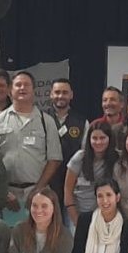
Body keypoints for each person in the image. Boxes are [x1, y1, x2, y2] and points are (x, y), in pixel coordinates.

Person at [0, 71, 62, 218]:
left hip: (37, 195)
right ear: (9, 91)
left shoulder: (47, 122)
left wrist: (37, 191)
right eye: (18, 85)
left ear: (34, 91)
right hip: (6, 196)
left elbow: (54, 159)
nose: (22, 88)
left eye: (26, 85)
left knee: (37, 239)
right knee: (8, 240)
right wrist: (4, 192)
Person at [64, 120, 118, 226]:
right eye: (94, 138)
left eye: (102, 138)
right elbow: (67, 190)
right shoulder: (79, 158)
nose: (98, 142)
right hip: (79, 213)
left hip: (106, 216)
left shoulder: (117, 158)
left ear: (110, 139)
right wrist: (76, 220)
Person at [46, 77, 85, 213]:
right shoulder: (41, 119)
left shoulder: (81, 121)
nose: (60, 96)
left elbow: (84, 154)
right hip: (47, 184)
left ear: (71, 95)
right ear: (51, 94)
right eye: (57, 92)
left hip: (73, 186)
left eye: (64, 92)